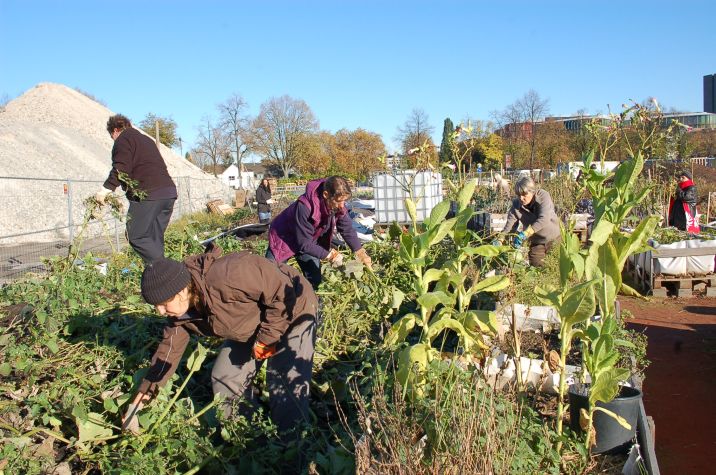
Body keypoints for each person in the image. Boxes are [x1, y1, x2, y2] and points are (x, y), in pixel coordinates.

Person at [123, 246, 318, 439]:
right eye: (155, 306)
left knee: (283, 383)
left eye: (164, 304)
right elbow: (167, 355)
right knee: (225, 377)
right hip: (250, 322)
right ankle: (246, 437)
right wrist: (139, 400)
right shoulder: (179, 315)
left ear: (182, 292)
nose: (160, 312)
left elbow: (282, 292)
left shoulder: (229, 274)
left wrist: (266, 340)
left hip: (295, 308)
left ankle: (293, 444)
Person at [95, 114, 177, 264]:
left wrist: (106, 189)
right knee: (153, 239)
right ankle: (158, 275)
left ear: (115, 130)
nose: (113, 139)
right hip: (168, 193)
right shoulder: (146, 140)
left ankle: (165, 270)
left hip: (148, 194)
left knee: (136, 235)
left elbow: (121, 168)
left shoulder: (123, 139)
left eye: (111, 136)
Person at [267, 176, 372, 290]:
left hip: (308, 239)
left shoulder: (337, 205)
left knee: (315, 279)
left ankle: (309, 299)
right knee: (271, 278)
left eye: (344, 201)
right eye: (338, 201)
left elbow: (346, 229)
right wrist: (330, 256)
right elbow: (304, 243)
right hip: (284, 238)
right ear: (326, 194)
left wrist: (360, 252)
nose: (342, 205)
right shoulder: (305, 206)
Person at [501, 176, 560, 267]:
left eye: (524, 195)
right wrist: (500, 239)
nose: (521, 198)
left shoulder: (542, 196)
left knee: (556, 267)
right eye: (519, 195)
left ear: (532, 191)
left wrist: (526, 233)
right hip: (537, 242)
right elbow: (509, 227)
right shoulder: (516, 206)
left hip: (554, 238)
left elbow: (544, 219)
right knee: (536, 267)